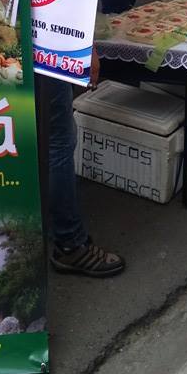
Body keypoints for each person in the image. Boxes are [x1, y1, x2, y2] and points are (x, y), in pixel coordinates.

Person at [40, 70, 125, 278]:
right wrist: (90, 55)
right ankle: (70, 244)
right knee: (58, 142)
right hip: (45, 58)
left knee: (36, 134)